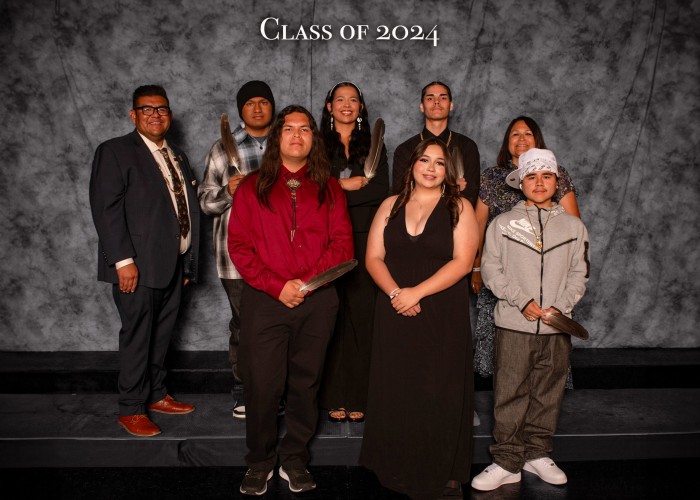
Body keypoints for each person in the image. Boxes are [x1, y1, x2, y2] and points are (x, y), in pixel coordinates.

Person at [228, 105, 354, 496]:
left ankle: (294, 458)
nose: (296, 135)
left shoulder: (329, 187)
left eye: (304, 129)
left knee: (306, 383)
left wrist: (306, 284)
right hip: (266, 301)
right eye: (288, 129)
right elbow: (239, 246)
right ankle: (259, 461)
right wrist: (277, 285)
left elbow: (342, 245)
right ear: (277, 138)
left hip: (317, 300)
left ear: (314, 138)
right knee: (263, 385)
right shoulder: (252, 187)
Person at [360, 138, 479, 500]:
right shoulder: (390, 205)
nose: (431, 168)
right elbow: (373, 258)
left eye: (439, 163)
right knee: (397, 388)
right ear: (412, 165)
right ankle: (396, 468)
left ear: (448, 171)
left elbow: (463, 263)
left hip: (441, 314)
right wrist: (397, 293)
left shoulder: (460, 206)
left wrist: (416, 293)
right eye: (424, 160)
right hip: (394, 310)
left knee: (438, 390)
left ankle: (441, 473)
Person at [471, 148, 589, 491]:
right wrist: (521, 300)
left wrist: (559, 308)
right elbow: (491, 270)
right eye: (532, 176)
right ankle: (507, 460)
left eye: (546, 176)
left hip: (556, 326)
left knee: (548, 391)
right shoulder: (502, 224)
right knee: (510, 393)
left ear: (556, 181)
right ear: (520, 183)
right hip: (513, 325)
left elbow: (579, 273)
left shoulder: (574, 226)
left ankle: (537, 453)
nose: (539, 183)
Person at [89, 85, 199, 437]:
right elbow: (106, 210)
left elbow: (184, 208)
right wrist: (123, 262)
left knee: (162, 335)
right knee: (137, 336)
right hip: (136, 265)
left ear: (170, 114)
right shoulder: (115, 151)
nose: (155, 115)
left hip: (173, 264)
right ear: (133, 115)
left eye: (161, 109)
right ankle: (131, 408)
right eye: (146, 109)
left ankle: (155, 394)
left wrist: (187, 262)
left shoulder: (177, 155)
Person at [471, 116, 580, 387]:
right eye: (515, 134)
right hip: (502, 270)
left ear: (537, 139)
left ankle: (543, 391)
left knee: (546, 339)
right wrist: (476, 267)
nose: (521, 139)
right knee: (505, 344)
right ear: (507, 142)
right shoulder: (492, 176)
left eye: (528, 133)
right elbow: (478, 225)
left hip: (546, 272)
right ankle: (507, 390)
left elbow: (573, 225)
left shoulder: (556, 174)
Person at [198, 80, 275, 420]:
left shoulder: (287, 144)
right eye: (250, 103)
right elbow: (204, 202)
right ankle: (244, 392)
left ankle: (275, 391)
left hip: (281, 255)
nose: (257, 108)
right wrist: (228, 191)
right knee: (245, 324)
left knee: (279, 325)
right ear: (241, 110)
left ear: (272, 107)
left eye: (263, 102)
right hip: (235, 258)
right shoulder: (222, 149)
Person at [318, 81, 389, 424]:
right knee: (330, 316)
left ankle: (360, 393)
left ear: (361, 107)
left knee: (362, 317)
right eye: (340, 99)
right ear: (329, 106)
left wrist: (334, 192)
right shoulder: (316, 143)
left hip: (365, 239)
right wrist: (343, 185)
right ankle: (333, 395)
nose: (346, 104)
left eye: (353, 100)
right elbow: (311, 190)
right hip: (325, 238)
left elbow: (381, 191)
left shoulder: (374, 144)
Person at [392, 81, 480, 207]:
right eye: (430, 98)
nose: (437, 102)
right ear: (422, 106)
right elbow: (401, 194)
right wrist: (452, 186)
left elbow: (470, 196)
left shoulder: (467, 146)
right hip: (415, 216)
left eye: (443, 98)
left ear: (451, 105)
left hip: (456, 216)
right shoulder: (405, 149)